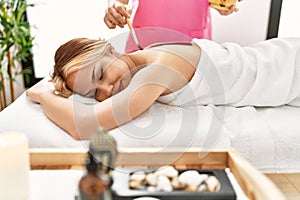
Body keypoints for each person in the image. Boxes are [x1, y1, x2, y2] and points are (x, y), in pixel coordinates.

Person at [26, 37, 300, 140]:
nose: (106, 90)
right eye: (91, 93)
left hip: (289, 68)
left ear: (112, 48)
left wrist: (42, 95)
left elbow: (83, 126)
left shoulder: (155, 73)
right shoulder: (144, 56)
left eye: (99, 74)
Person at [104, 0, 239, 52]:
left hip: (193, 48)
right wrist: (115, 8)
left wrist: (224, 5)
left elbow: (218, 4)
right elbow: (119, 1)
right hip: (144, 48)